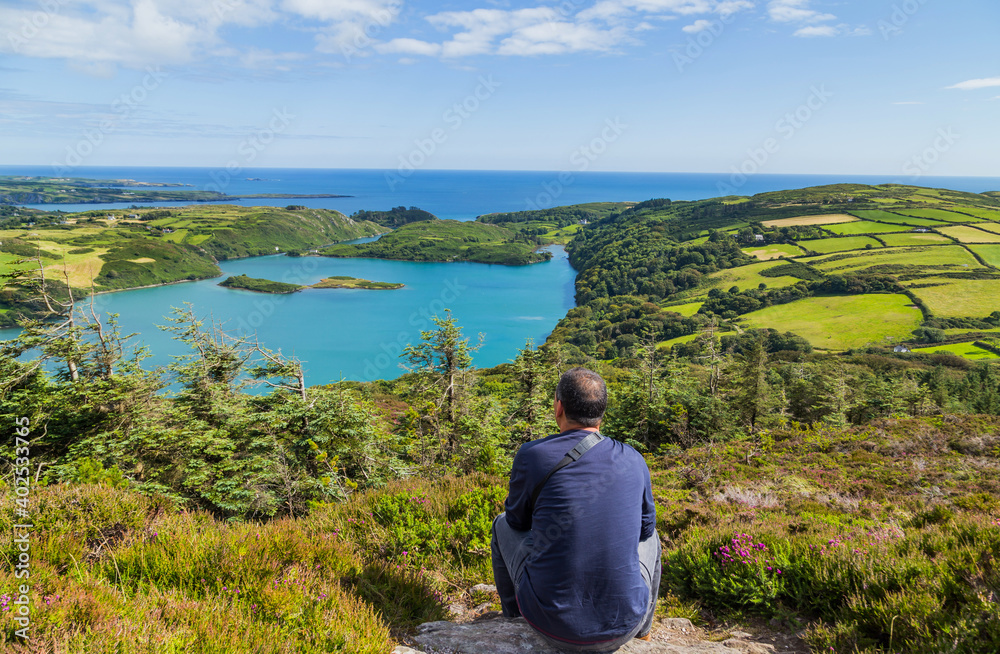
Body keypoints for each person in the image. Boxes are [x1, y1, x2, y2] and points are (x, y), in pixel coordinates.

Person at [491, 367, 660, 652]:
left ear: (558, 406)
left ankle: (514, 617)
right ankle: (643, 631)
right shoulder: (633, 458)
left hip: (551, 628)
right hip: (623, 628)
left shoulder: (532, 455)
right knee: (652, 536)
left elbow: (517, 522)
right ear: (601, 412)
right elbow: (644, 530)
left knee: (501, 524)